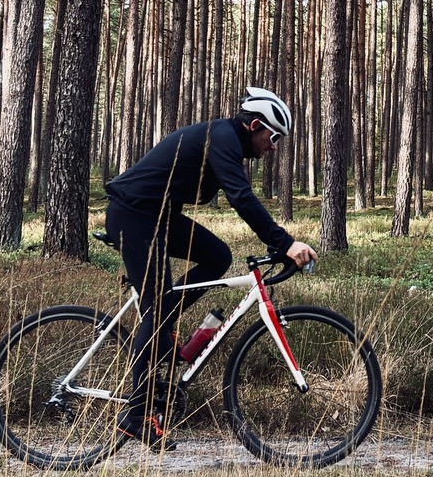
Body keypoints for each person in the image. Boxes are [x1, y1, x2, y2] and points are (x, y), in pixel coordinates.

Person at [103, 87, 317, 450]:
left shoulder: (226, 140)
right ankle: (136, 416)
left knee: (218, 256)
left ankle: (163, 334)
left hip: (156, 217)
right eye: (273, 136)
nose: (274, 146)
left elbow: (241, 198)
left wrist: (277, 243)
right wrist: (285, 241)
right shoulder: (222, 137)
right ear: (254, 126)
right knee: (157, 313)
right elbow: (241, 197)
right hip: (135, 217)